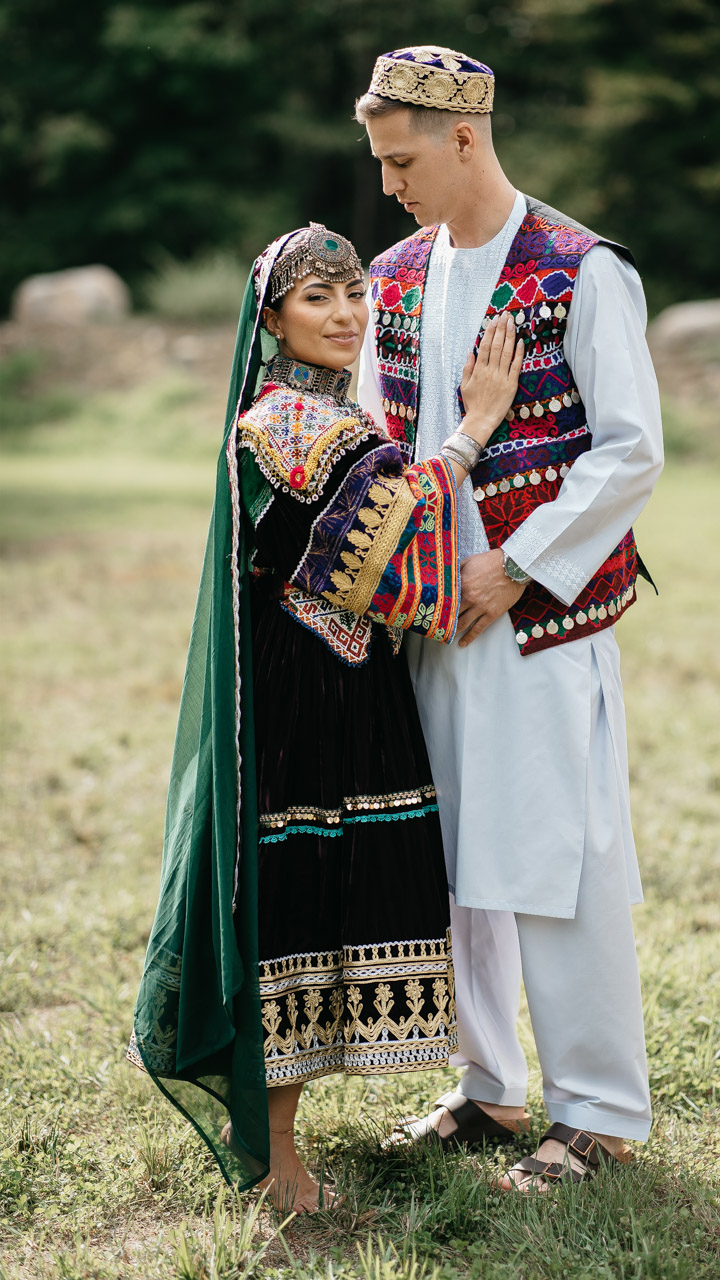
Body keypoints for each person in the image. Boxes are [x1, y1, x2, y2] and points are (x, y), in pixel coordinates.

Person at [128, 223, 522, 1213]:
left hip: (343, 683)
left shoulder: (330, 413)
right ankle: (274, 1156)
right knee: (293, 902)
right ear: (271, 319)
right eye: (317, 298)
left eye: (354, 293)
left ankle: (280, 1137)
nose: (346, 314)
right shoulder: (294, 424)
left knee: (317, 892)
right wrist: (475, 428)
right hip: (306, 695)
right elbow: (385, 543)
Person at [355, 47, 664, 1191]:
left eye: (402, 160)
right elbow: (380, 439)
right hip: (427, 624)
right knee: (455, 863)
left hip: (539, 621)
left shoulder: (582, 270)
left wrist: (519, 567)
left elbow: (630, 450)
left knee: (559, 859)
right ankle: (485, 1083)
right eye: (378, 161)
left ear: (464, 137)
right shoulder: (392, 277)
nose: (388, 183)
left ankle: (598, 1112)